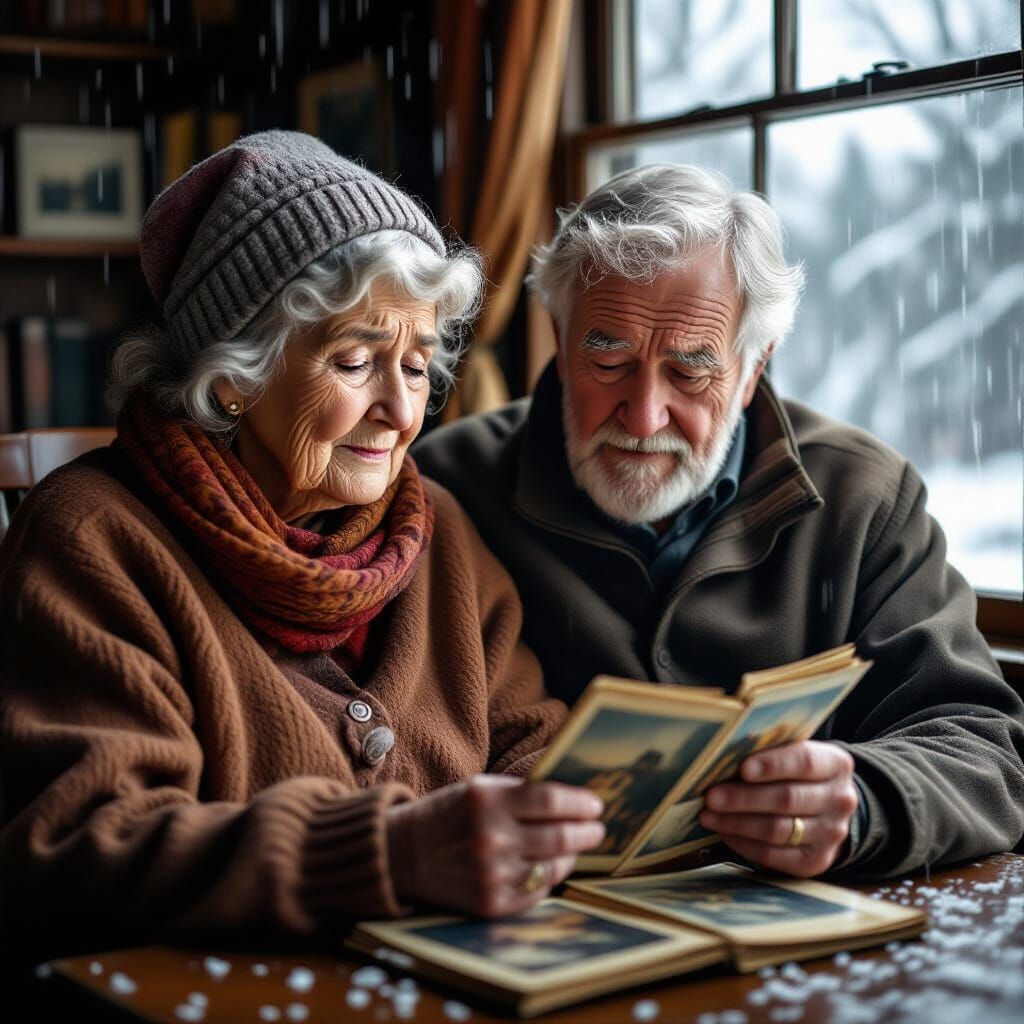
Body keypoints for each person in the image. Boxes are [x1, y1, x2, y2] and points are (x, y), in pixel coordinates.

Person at [0, 131, 606, 964]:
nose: (401, 409)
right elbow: (83, 846)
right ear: (233, 376)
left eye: (419, 367)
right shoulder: (94, 536)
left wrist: (582, 802)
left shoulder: (442, 539)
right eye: (357, 360)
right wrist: (386, 853)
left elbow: (532, 744)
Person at [414, 163, 1024, 881]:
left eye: (690, 370)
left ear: (754, 364)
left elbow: (986, 749)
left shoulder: (865, 498)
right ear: (558, 332)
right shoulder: (446, 486)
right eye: (607, 359)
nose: (643, 416)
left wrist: (865, 804)